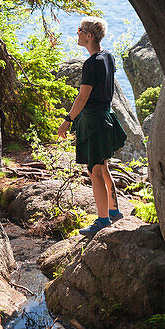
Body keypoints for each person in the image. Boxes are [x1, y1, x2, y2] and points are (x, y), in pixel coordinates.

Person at [58, 17, 127, 236]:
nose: (77, 33)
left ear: (89, 36)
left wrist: (68, 120)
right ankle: (114, 211)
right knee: (102, 166)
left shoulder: (91, 63)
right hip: (105, 117)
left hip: (95, 122)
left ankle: (102, 219)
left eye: (80, 30)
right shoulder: (108, 57)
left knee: (94, 170)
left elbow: (83, 95)